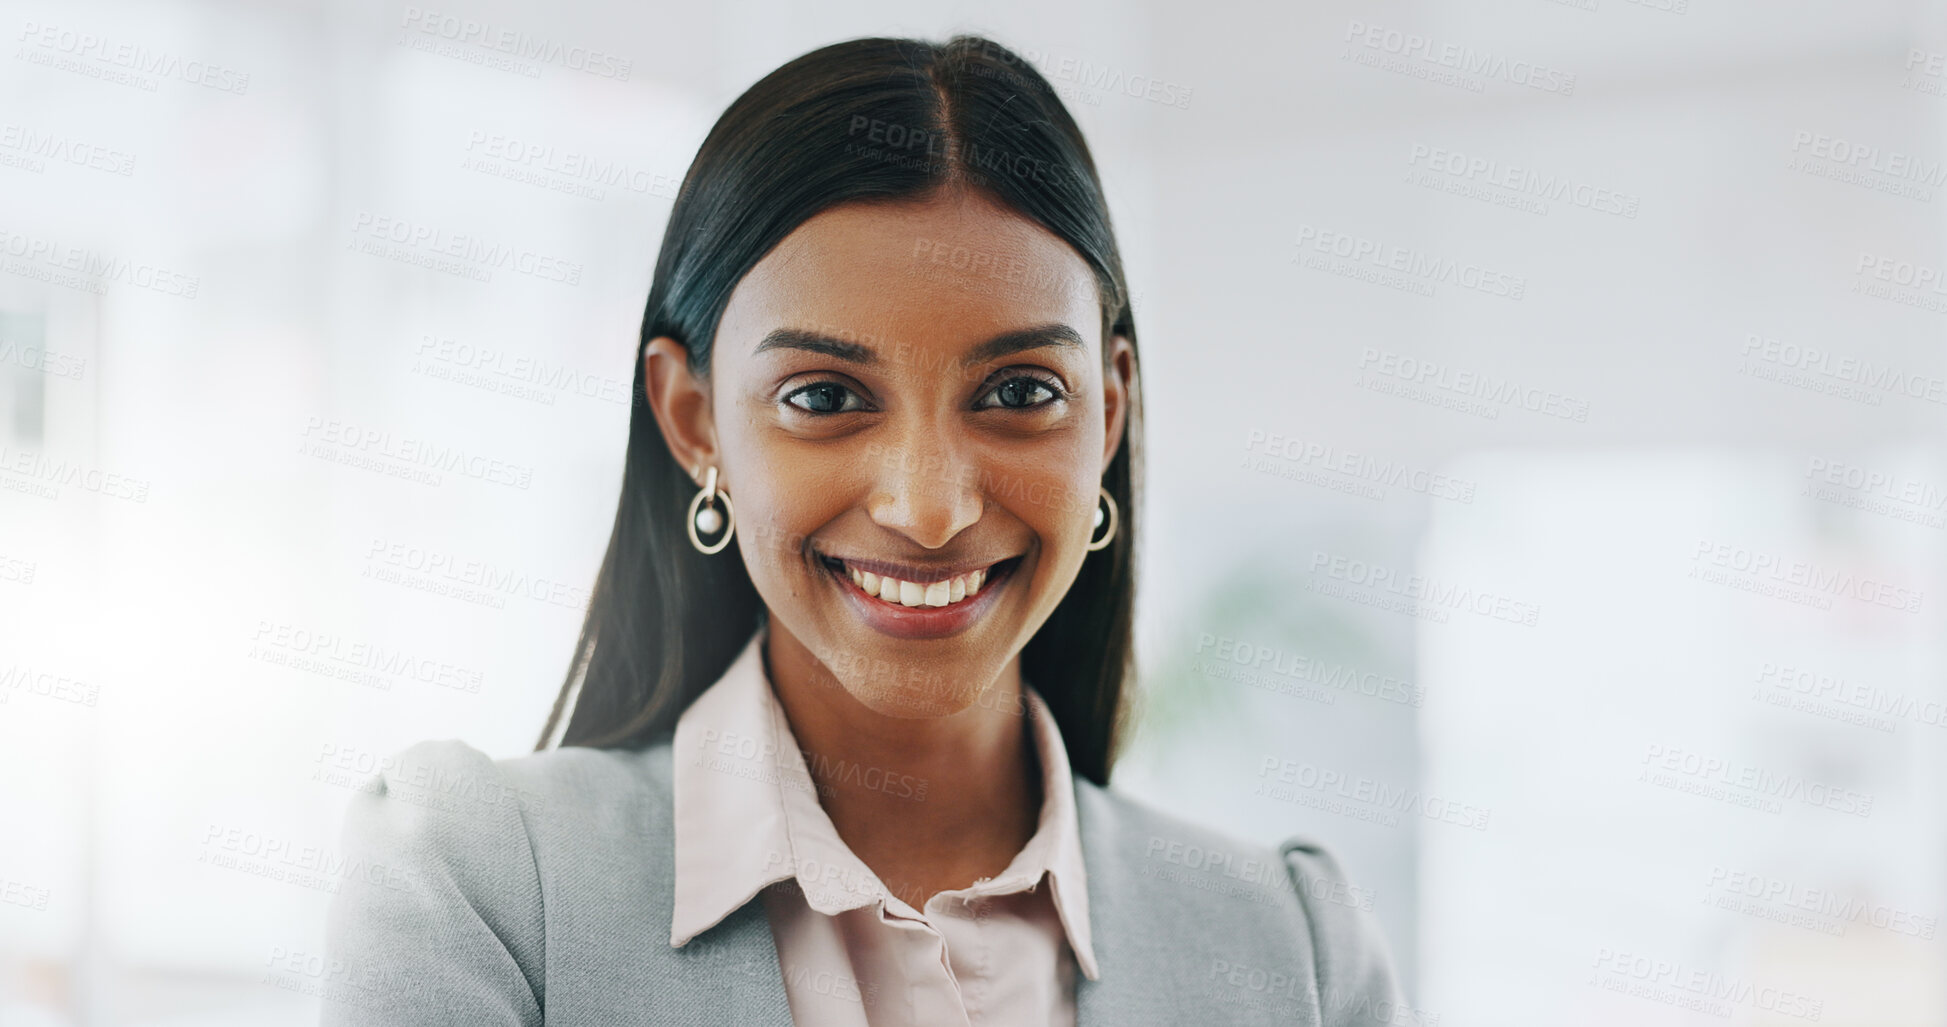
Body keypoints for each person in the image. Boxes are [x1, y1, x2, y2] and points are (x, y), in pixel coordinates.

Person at [322, 33, 1409, 1027]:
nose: (930, 508)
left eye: (1022, 392)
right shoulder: (483, 891)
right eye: (826, 397)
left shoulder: (1293, 951)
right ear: (693, 420)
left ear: (1110, 411)